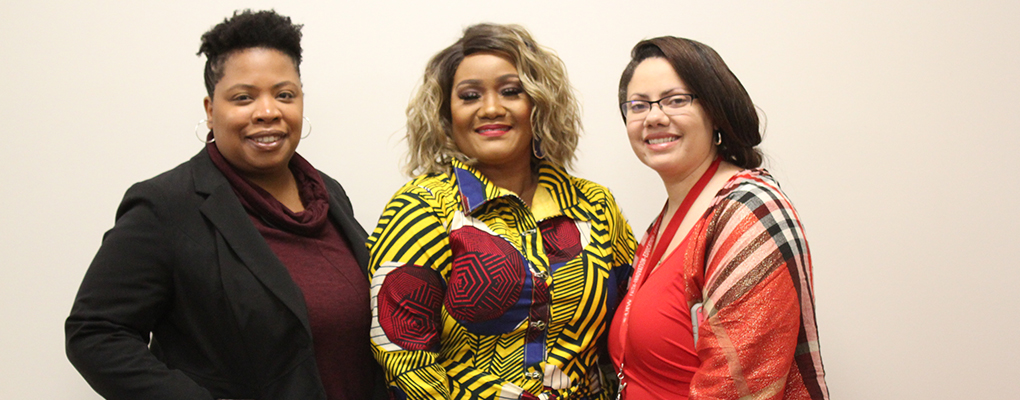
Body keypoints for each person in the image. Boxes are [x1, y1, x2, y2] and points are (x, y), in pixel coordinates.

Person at [65, 10, 379, 400]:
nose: (268, 111)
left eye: (284, 94)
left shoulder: (327, 194)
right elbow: (94, 333)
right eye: (243, 97)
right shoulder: (165, 207)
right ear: (211, 111)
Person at [367, 23, 636, 400]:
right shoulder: (421, 207)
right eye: (470, 95)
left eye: (511, 91)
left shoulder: (595, 206)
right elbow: (403, 357)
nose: (491, 108)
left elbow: (633, 324)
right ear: (447, 114)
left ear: (539, 104)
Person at [608, 37, 829, 400]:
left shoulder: (750, 212)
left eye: (676, 100)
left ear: (714, 111)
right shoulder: (663, 224)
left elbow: (741, 386)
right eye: (638, 105)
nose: (654, 117)